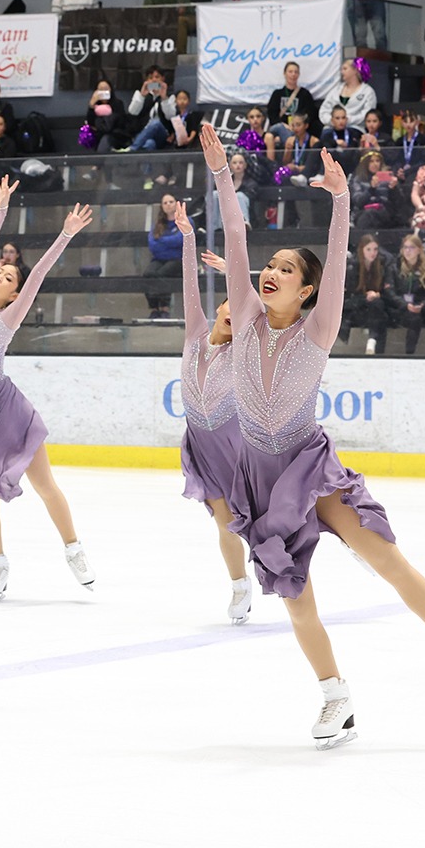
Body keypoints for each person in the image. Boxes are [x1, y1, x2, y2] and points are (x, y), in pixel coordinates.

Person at [202, 125, 425, 748]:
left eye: (287, 270)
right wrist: (221, 178)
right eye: (270, 266)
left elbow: (338, 256)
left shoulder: (318, 328)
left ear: (308, 290)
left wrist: (342, 202)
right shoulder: (247, 311)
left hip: (311, 470)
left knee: (384, 558)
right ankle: (335, 699)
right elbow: (235, 236)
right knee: (296, 600)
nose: (270, 272)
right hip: (260, 480)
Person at [0, 177, 96, 600]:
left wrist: (65, 234)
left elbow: (40, 274)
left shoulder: (9, 319)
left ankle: (74, 548)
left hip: (6, 409)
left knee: (45, 484)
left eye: (7, 276)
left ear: (16, 294)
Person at [168, 224, 252, 624]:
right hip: (202, 445)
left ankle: (349, 538)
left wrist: (234, 275)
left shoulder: (243, 351)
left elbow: (261, 305)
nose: (235, 314)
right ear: (218, 309)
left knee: (266, 518)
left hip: (235, 444)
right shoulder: (194, 335)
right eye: (229, 306)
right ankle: (239, 586)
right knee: (224, 522)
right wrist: (187, 239)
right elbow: (188, 285)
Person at [342, 233, 394, 353]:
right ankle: (373, 342)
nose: (373, 253)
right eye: (369, 249)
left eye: (375, 249)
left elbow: (389, 290)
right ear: (362, 250)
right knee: (378, 310)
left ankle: (373, 342)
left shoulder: (382, 265)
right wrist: (366, 297)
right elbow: (348, 299)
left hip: (376, 309)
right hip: (355, 310)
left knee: (378, 307)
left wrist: (377, 295)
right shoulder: (352, 267)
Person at [263, 62, 315, 162]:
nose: (293, 74)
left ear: (299, 74)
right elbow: (272, 113)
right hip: (280, 126)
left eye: (296, 72)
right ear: (285, 73)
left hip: (298, 128)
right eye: (290, 71)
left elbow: (309, 113)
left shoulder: (304, 94)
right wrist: (284, 125)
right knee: (278, 129)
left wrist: (296, 125)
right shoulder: (277, 94)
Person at [145, 193, 184, 317]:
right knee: (148, 274)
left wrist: (162, 240)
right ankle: (154, 308)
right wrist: (169, 243)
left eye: (171, 202)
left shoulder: (185, 221)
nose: (168, 205)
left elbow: (180, 240)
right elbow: (152, 244)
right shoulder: (158, 224)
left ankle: (165, 308)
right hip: (159, 259)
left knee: (162, 274)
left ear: (176, 203)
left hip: (178, 260)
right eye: (165, 203)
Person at [318, 60, 377, 132]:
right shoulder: (336, 90)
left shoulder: (368, 91)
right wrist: (333, 121)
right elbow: (324, 109)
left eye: (345, 69)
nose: (342, 72)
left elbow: (368, 113)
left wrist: (347, 120)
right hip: (332, 127)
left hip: (355, 127)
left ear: (355, 70)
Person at [349, 150, 400, 228]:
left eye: (377, 161)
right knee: (368, 216)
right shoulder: (358, 179)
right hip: (363, 212)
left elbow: (398, 202)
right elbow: (358, 201)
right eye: (371, 161)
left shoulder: (388, 178)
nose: (375, 164)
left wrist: (393, 189)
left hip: (384, 211)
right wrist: (371, 188)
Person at [81, 80, 130, 153]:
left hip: (115, 136)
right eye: (100, 89)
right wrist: (91, 105)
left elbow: (120, 122)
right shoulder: (94, 106)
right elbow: (91, 123)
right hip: (97, 136)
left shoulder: (118, 104)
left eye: (106, 89)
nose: (103, 92)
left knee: (105, 140)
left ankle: (98, 163)